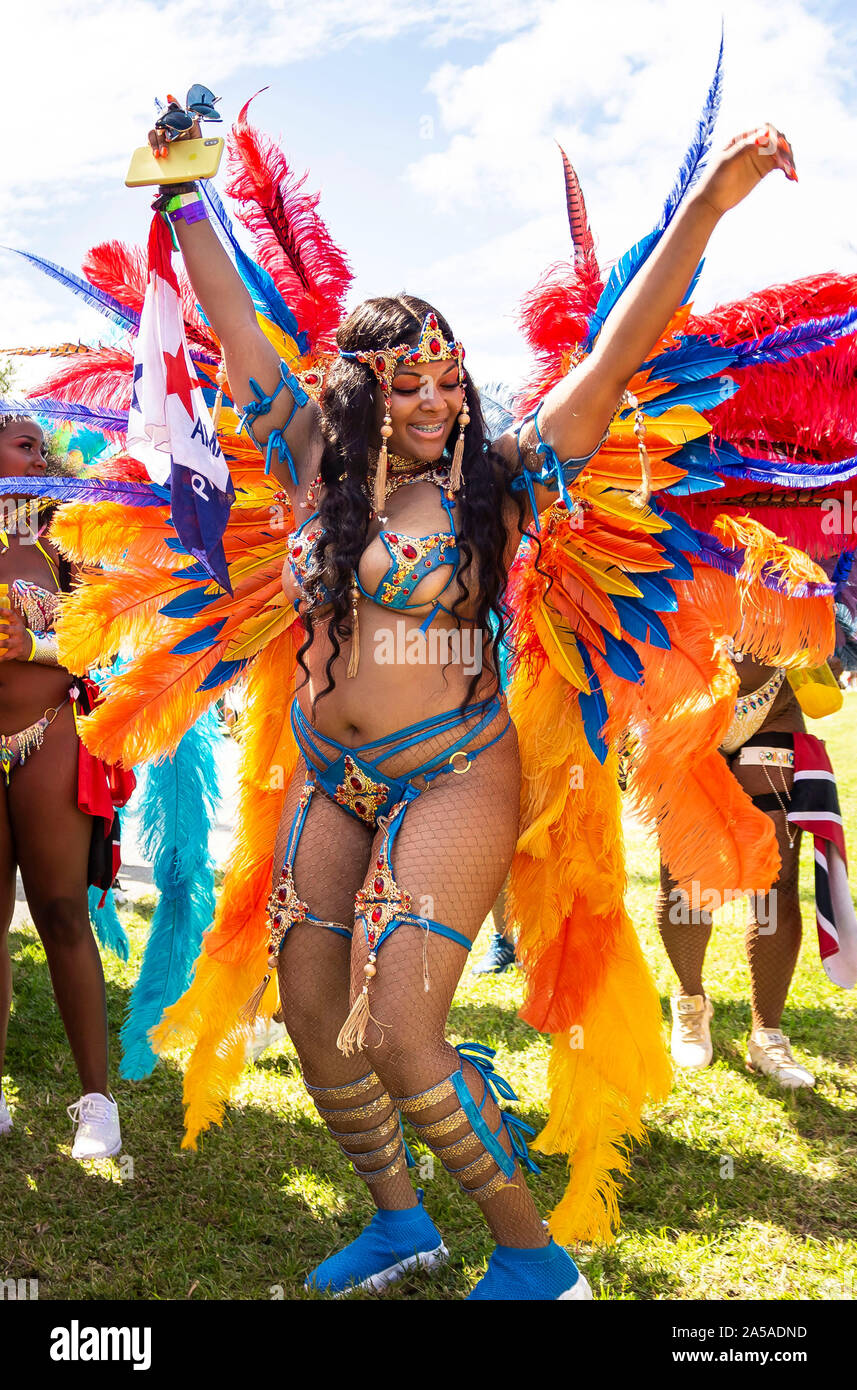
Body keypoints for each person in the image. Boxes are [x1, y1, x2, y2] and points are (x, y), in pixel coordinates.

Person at [141, 109, 799, 1301]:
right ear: (360, 389)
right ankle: (401, 1226)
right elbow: (233, 325)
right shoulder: (308, 461)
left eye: (449, 378)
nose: (439, 398)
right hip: (327, 775)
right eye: (408, 382)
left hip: (453, 767)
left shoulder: (500, 482)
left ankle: (533, 1256)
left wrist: (706, 204)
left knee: (398, 1029)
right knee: (305, 1007)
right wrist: (186, 195)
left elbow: (615, 353)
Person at [0, 413, 122, 1157]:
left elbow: (107, 641)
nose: (36, 454)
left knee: (60, 912)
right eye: (21, 443)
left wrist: (34, 644)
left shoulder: (67, 542)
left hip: (50, 735)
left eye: (39, 446)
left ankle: (97, 1103)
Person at [658, 652, 831, 1087]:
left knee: (776, 879)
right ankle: (691, 1003)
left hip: (774, 704)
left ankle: (768, 1035)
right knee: (684, 877)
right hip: (682, 705)